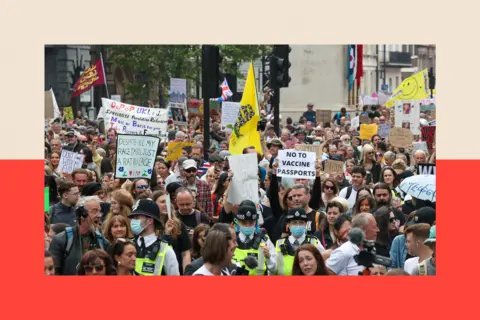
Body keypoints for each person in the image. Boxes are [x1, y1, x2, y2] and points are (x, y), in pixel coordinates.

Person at [49, 196, 110, 275]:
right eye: (94, 211)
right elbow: (53, 272)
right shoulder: (61, 240)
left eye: (99, 211)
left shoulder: (103, 242)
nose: (99, 216)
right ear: (82, 214)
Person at [129, 199, 180, 275]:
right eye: (132, 218)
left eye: (137, 217)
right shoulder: (129, 245)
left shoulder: (166, 250)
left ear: (149, 221)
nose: (132, 221)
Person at [274, 208, 325, 275]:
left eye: (301, 223)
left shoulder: (314, 241)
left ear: (306, 224)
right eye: (294, 223)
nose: (298, 226)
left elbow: (323, 262)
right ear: (288, 225)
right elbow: (273, 267)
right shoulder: (280, 243)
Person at [232, 200, 277, 276]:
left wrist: (269, 257)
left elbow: (274, 269)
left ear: (256, 221)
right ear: (238, 222)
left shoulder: (264, 239)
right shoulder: (231, 239)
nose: (247, 226)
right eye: (244, 223)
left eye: (251, 222)